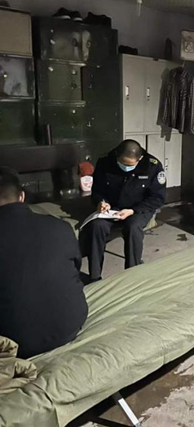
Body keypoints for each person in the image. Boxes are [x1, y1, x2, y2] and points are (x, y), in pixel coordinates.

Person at [0, 167, 88, 358]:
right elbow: (75, 267)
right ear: (22, 196)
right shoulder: (59, 226)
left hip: (14, 341)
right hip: (70, 324)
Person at [81, 140, 166, 281]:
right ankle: (95, 277)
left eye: (130, 165)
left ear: (140, 158)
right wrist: (101, 202)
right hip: (112, 208)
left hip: (139, 208)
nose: (126, 167)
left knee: (133, 227)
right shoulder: (105, 162)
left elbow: (157, 198)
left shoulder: (152, 166)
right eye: (122, 163)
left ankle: (131, 275)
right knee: (97, 226)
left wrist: (132, 211)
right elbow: (97, 191)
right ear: (116, 155)